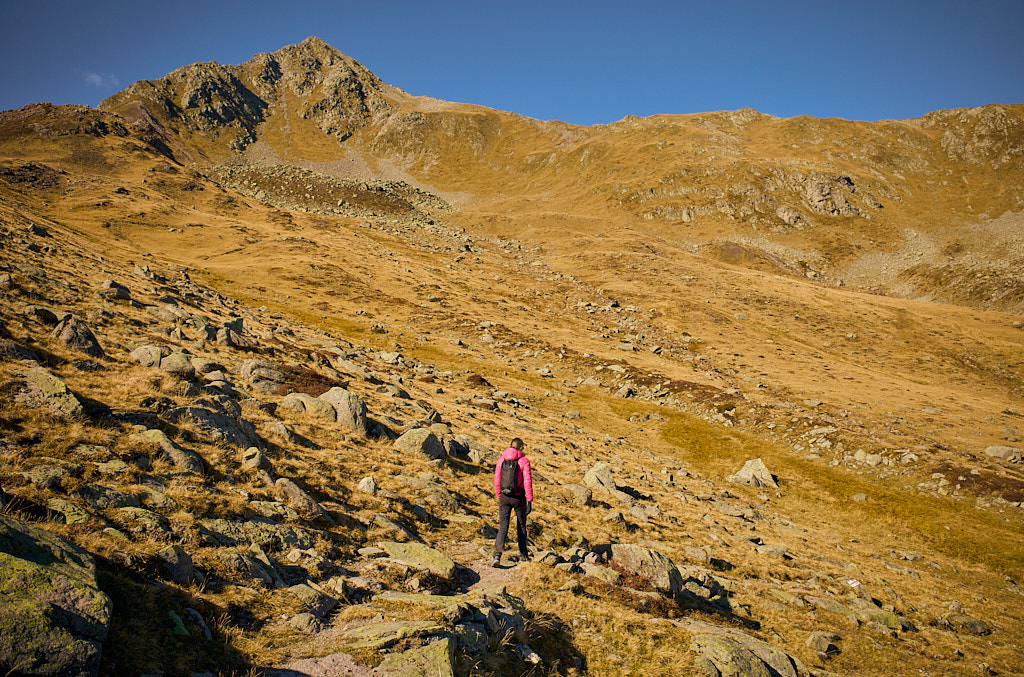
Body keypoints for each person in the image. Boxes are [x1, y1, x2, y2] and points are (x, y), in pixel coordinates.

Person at [491, 437, 533, 567]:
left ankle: (496, 556)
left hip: (504, 496)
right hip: (519, 498)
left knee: (503, 526)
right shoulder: (524, 461)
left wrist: (499, 494)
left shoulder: (501, 459)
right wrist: (530, 500)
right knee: (521, 526)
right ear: (520, 447)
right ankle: (523, 555)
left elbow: (497, 478)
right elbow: (527, 481)